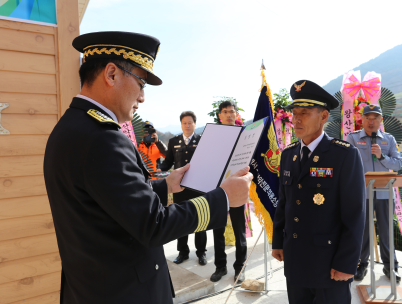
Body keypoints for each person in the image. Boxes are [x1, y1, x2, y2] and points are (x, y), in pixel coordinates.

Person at [43, 31, 253, 304]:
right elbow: (153, 225)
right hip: (125, 292)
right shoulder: (102, 138)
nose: (142, 97)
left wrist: (164, 185)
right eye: (141, 83)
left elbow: (107, 200)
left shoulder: (71, 127)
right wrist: (223, 197)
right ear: (111, 74)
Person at [271, 80, 366, 304]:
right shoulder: (289, 155)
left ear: (323, 117)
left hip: (329, 264)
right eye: (294, 112)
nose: (296, 119)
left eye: (304, 113)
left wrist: (346, 263)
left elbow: (355, 214)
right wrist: (277, 241)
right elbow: (283, 203)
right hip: (295, 260)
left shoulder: (343, 155)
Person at [346, 105, 402, 283]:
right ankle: (361, 265)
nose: (371, 121)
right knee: (362, 231)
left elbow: (398, 165)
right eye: (368, 118)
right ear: (361, 120)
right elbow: (346, 163)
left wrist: (381, 157)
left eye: (375, 118)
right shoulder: (353, 138)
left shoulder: (389, 139)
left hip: (385, 193)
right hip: (362, 193)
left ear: (380, 120)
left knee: (386, 231)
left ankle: (390, 266)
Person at [159, 111, 208, 266]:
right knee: (181, 219)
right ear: (181, 124)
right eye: (184, 123)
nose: (187, 125)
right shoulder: (174, 141)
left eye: (190, 122)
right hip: (179, 188)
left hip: (198, 187)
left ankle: (201, 252)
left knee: (201, 219)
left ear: (195, 124)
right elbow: (167, 163)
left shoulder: (202, 141)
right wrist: (156, 169)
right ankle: (183, 252)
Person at [210, 100, 248, 283]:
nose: (229, 114)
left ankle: (240, 268)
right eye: (225, 111)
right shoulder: (213, 136)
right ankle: (220, 267)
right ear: (220, 116)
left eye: (232, 111)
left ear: (236, 114)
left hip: (237, 188)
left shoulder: (245, 135)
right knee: (217, 229)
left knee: (239, 229)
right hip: (218, 189)